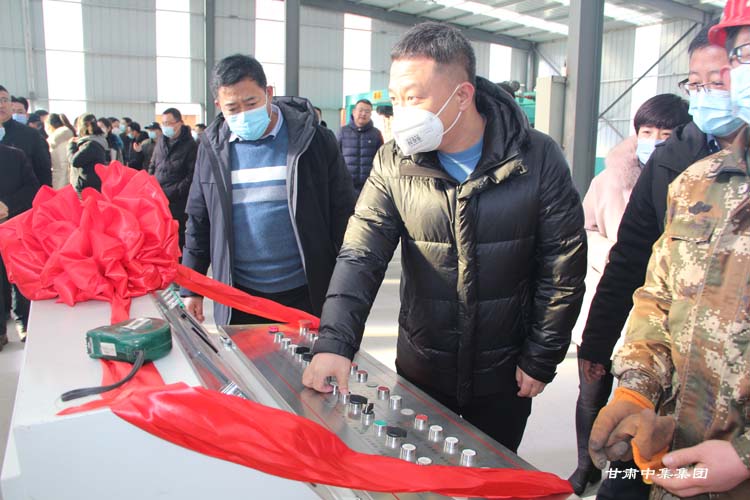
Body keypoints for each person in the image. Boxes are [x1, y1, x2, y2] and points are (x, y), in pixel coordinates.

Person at [302, 22, 586, 454]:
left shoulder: (536, 157)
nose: (401, 112)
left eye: (414, 98)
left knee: (490, 473)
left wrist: (541, 355)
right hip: (423, 367)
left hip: (504, 374)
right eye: (395, 99)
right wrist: (335, 344)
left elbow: (562, 265)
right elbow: (361, 254)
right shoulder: (394, 161)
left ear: (462, 96)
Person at [576, 24, 744, 498]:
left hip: (734, 459)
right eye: (697, 83)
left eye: (721, 77)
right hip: (667, 424)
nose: (711, 92)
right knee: (620, 488)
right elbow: (654, 288)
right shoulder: (692, 178)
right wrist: (636, 386)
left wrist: (745, 454)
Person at [569, 94, 691, 497]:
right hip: (614, 309)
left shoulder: (695, 182)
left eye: (665, 134)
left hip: (662, 340)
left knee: (644, 441)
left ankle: (624, 473)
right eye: (647, 132)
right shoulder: (609, 180)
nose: (654, 141)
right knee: (594, 397)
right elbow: (597, 240)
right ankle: (587, 465)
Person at [181, 54, 355, 326]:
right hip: (239, 296)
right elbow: (199, 220)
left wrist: (346, 284)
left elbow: (344, 213)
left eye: (251, 103)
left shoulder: (313, 141)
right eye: (232, 108)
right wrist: (192, 287)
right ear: (218, 105)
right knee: (243, 355)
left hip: (306, 291)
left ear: (269, 93)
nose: (243, 114)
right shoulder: (211, 149)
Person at [0, 142, 40, 349]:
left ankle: (24, 321)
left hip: (15, 226)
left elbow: (32, 188)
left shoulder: (15, 156)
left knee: (19, 276)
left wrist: (7, 203)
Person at [148, 108, 196, 250]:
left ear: (179, 123)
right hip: (158, 199)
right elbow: (153, 164)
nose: (165, 127)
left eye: (169, 123)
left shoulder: (190, 145)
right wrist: (151, 185)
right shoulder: (161, 142)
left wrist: (174, 192)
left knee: (177, 239)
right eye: (163, 123)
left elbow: (192, 175)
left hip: (178, 202)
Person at [0, 86, 51, 187]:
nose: (1, 105)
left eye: (4, 100)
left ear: (11, 105)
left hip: (23, 194)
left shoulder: (31, 135)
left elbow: (43, 173)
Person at [337, 99, 384, 196]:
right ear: (354, 112)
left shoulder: (376, 134)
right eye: (361, 110)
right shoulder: (343, 132)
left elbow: (381, 159)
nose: (363, 114)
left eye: (367, 111)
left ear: (371, 114)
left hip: (369, 186)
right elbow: (335, 157)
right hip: (346, 185)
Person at [68, 114, 108, 193]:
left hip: (87, 188)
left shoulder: (90, 145)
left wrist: (71, 146)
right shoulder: (98, 140)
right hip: (93, 185)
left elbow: (75, 161)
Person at [46, 113, 75, 189]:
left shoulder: (52, 141)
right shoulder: (70, 136)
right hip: (71, 179)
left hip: (59, 179)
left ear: (49, 126)